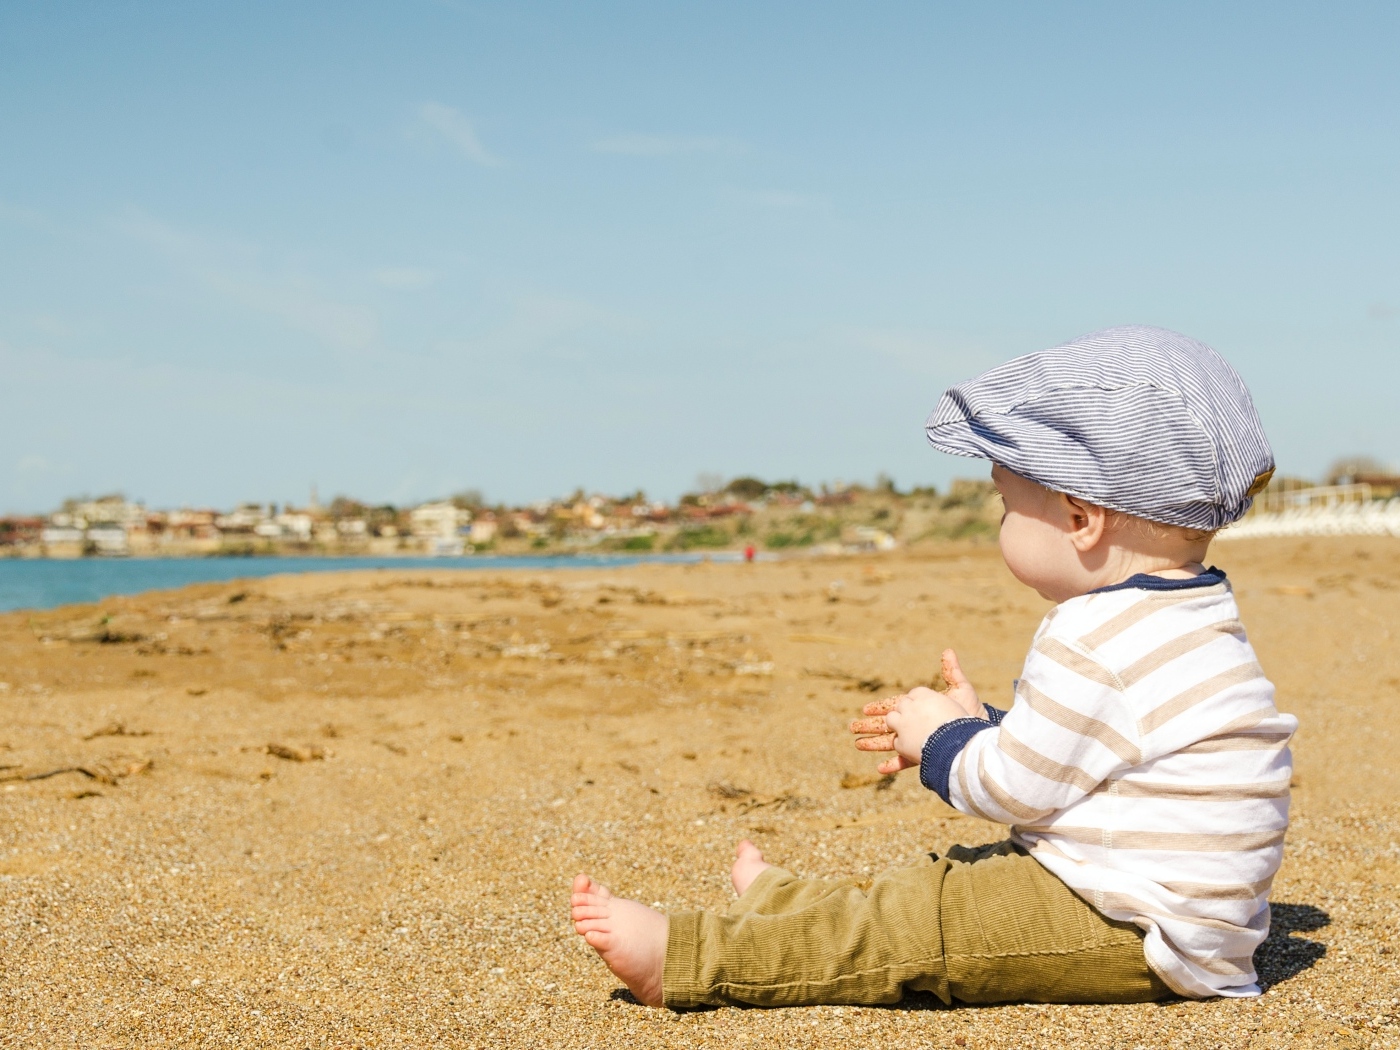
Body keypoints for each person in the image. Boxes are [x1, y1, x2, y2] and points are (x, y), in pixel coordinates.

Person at [569, 325, 1296, 1009]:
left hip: (1133, 929)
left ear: (1081, 519)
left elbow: (1015, 791)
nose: (1001, 521)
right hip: (1185, 919)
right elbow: (1097, 754)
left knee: (921, 922)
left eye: (1008, 504)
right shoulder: (1196, 613)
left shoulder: (1090, 633)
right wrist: (987, 726)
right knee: (944, 880)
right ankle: (786, 905)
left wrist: (942, 744)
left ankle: (690, 958)